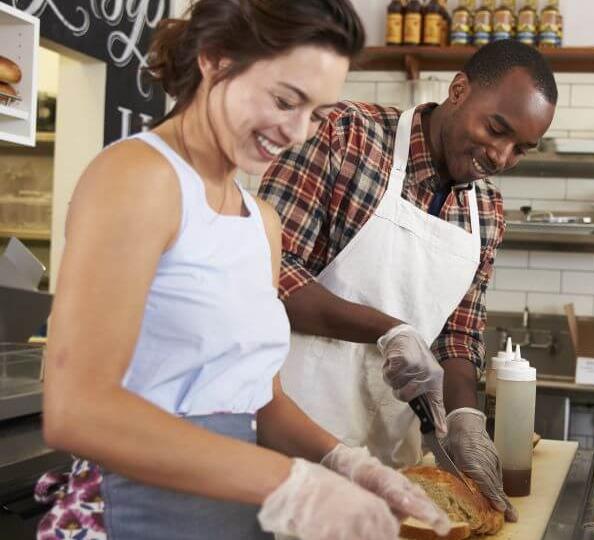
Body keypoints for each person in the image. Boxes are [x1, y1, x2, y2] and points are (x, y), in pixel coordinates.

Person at [35, 1, 450, 539]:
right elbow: (79, 410)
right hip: (133, 515)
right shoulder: (139, 177)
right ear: (214, 60)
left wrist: (348, 464)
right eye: (285, 100)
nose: (298, 133)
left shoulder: (262, 222)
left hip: (230, 521)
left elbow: (259, 399)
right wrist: (292, 482)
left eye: (318, 114)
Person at [259, 39, 558, 522]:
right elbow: (267, 272)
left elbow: (459, 336)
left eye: (521, 149)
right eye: (496, 129)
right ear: (459, 90)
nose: (501, 156)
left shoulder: (488, 212)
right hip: (289, 437)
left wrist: (465, 419)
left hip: (389, 467)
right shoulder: (345, 136)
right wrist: (388, 328)